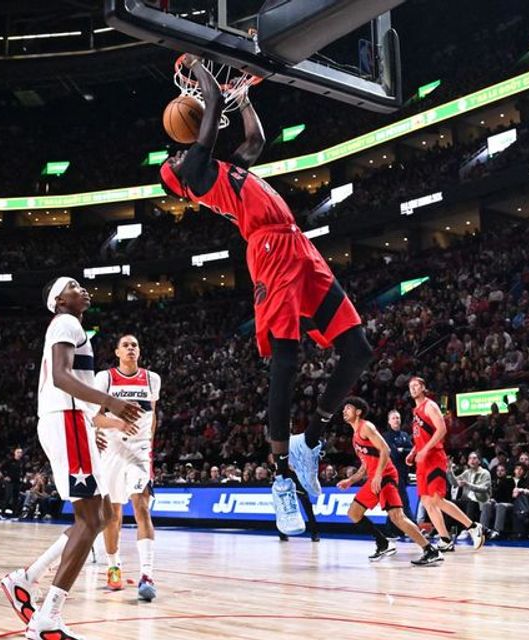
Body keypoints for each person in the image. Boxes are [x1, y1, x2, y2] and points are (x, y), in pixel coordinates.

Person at [158, 54, 373, 535]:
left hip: (297, 243)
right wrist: (196, 67)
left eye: (174, 152)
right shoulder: (193, 172)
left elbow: (255, 140)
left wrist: (247, 99)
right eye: (172, 159)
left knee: (358, 349)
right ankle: (280, 479)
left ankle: (309, 440)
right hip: (270, 249)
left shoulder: (226, 170)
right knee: (286, 360)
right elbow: (210, 103)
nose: (172, 155)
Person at [1, 277, 142, 640]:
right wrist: (109, 402)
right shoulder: (66, 323)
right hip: (65, 420)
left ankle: (27, 579)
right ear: (59, 299)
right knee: (92, 518)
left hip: (69, 421)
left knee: (95, 517)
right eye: (74, 286)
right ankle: (46, 615)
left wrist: (92, 417)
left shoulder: (70, 326)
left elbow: (66, 382)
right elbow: (62, 378)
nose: (84, 290)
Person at [93, 334, 162, 601]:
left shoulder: (151, 379)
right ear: (117, 352)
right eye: (126, 345)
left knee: (141, 506)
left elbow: (152, 414)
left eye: (135, 344)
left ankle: (147, 574)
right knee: (113, 515)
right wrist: (118, 424)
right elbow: (95, 417)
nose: (131, 348)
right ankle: (114, 567)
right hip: (111, 451)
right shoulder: (105, 378)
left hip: (139, 452)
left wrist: (149, 443)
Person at [336, 397, 443, 565]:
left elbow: (385, 449)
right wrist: (351, 480)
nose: (344, 411)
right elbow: (365, 464)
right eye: (344, 408)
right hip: (374, 478)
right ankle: (383, 543)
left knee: (397, 517)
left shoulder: (366, 427)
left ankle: (431, 550)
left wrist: (378, 475)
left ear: (358, 412)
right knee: (353, 513)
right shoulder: (355, 436)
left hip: (386, 476)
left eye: (348, 408)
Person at [407, 377, 484, 552]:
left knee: (437, 499)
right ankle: (445, 539)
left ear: (423, 387)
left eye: (416, 385)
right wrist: (414, 451)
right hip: (422, 459)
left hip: (434, 458)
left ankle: (472, 526)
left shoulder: (430, 406)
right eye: (410, 386)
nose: (413, 388)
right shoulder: (416, 410)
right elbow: (422, 435)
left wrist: (425, 449)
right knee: (426, 502)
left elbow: (442, 430)